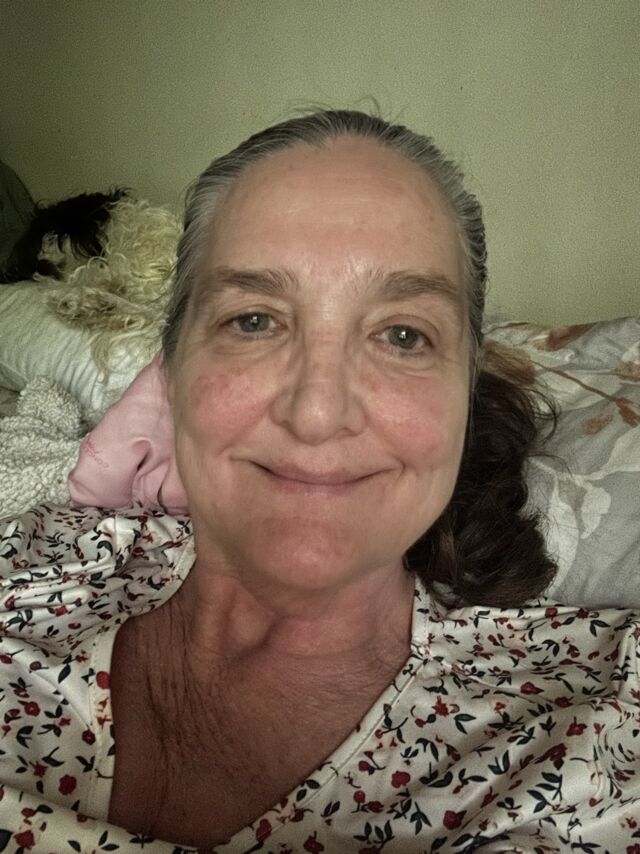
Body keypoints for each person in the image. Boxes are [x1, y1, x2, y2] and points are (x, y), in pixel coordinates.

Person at [0, 110, 638, 853]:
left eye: (403, 335)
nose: (317, 413)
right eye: (254, 321)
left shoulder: (594, 730)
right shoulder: (39, 561)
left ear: (463, 393)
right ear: (170, 372)